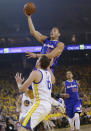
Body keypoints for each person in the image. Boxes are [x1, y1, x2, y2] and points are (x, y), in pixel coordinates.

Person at [15, 55, 55, 131]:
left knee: (22, 127)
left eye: (38, 59)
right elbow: (53, 81)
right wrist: (49, 67)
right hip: (47, 106)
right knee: (28, 127)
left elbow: (21, 89)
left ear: (39, 62)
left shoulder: (35, 73)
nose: (36, 61)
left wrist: (19, 83)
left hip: (40, 104)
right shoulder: (49, 74)